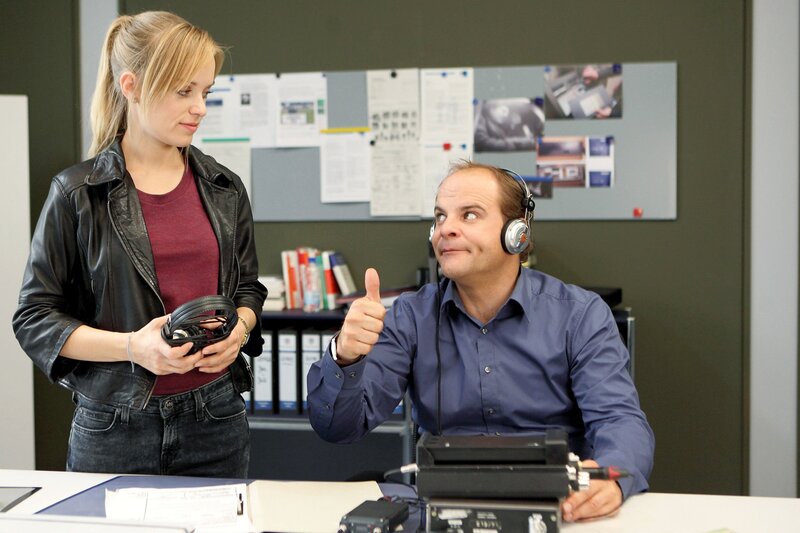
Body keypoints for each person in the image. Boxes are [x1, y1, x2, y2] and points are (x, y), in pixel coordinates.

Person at [307, 161, 654, 522]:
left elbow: (619, 419)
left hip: (558, 507)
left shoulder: (580, 315)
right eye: (440, 216)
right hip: (443, 509)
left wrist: (613, 479)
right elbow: (338, 428)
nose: (446, 229)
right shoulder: (411, 315)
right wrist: (345, 357)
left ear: (517, 231)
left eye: (469, 215)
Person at [12, 11, 266, 478]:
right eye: (184, 91)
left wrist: (240, 331)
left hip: (216, 418)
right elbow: (34, 319)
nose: (200, 108)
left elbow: (248, 288)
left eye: (205, 92)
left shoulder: (224, 188)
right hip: (114, 424)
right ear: (131, 86)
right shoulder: (77, 193)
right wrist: (133, 347)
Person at [473, 98, 544, 152]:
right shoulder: (480, 118)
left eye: (507, 112)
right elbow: (483, 142)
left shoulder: (495, 124)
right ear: (492, 109)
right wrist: (523, 143)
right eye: (503, 111)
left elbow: (504, 139)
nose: (506, 115)